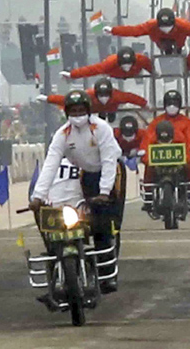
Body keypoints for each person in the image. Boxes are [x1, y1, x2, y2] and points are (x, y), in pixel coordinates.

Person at [29, 91, 124, 298]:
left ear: (88, 111)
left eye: (81, 110)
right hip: (85, 175)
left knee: (102, 222)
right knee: (54, 224)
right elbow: (51, 164)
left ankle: (107, 274)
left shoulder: (101, 129)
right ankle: (56, 276)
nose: (78, 114)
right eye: (73, 111)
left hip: (110, 172)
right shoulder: (62, 134)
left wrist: (105, 192)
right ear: (67, 113)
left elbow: (109, 160)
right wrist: (37, 196)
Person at [110, 7, 190, 55]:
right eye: (163, 27)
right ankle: (167, 50)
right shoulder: (151, 26)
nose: (166, 30)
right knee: (167, 50)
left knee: (178, 52)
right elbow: (133, 31)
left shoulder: (183, 26)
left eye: (168, 27)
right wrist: (113, 30)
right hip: (161, 43)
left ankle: (179, 50)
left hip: (178, 42)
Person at [42, 78, 147, 116]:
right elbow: (67, 99)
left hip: (111, 108)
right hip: (92, 110)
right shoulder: (88, 96)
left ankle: (110, 114)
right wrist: (48, 99)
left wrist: (145, 104)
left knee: (110, 113)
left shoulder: (117, 96)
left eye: (106, 95)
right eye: (101, 95)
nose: (104, 98)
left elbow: (131, 97)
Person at [63, 47, 153, 81]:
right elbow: (92, 70)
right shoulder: (109, 63)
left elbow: (149, 66)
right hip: (114, 74)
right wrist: (72, 74)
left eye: (129, 63)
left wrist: (153, 72)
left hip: (134, 73)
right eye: (124, 64)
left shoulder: (141, 59)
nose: (127, 66)